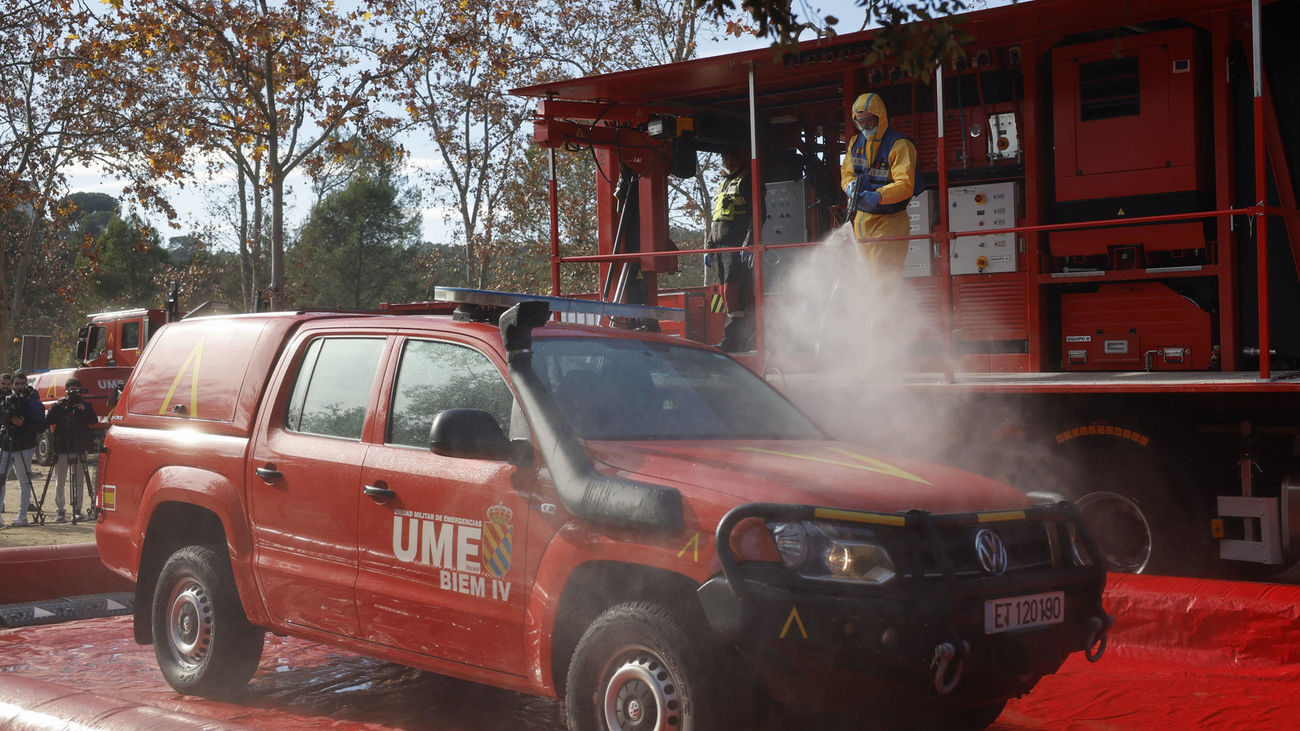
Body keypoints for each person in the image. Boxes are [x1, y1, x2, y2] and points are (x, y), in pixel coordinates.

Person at [839, 91, 924, 278]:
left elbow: (905, 184)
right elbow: (846, 173)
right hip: (861, 222)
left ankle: (886, 308)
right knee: (863, 279)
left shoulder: (899, 145)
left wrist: (878, 196)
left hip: (890, 221)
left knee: (883, 278)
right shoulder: (855, 143)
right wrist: (850, 186)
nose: (864, 126)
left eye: (868, 120)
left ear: (880, 117)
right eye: (859, 122)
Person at [705, 145, 756, 353]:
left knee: (732, 293)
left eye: (731, 158)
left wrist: (748, 242)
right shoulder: (722, 185)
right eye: (725, 158)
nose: (728, 162)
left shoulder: (746, 181)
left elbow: (757, 214)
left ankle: (732, 340)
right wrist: (708, 247)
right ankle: (736, 340)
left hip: (736, 246)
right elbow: (715, 218)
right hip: (720, 249)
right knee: (727, 296)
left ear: (738, 159)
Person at [45, 377, 99, 522]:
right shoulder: (61, 405)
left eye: (76, 389)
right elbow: (48, 421)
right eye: (70, 389)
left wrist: (84, 409)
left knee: (79, 480)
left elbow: (94, 421)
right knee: (60, 480)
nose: (73, 392)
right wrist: (55, 406)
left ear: (80, 390)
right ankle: (60, 510)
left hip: (80, 447)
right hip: (62, 447)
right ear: (66, 390)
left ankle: (77, 509)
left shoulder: (86, 405)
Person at [0, 371, 45, 528]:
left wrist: (23, 424)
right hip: (6, 444)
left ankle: (22, 516)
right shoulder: (7, 399)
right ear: (12, 385)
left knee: (24, 481)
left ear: (27, 385)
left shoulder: (33, 401)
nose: (20, 387)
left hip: (24, 445)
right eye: (17, 384)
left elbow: (41, 425)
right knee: (1, 480)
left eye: (23, 384)